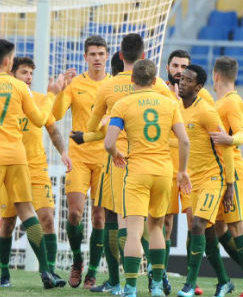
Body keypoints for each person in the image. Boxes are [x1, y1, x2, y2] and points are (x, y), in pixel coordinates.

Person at [0, 39, 66, 289]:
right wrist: (52, 95)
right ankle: (46, 272)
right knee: (28, 213)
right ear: (8, 61)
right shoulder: (18, 88)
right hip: (18, 157)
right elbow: (41, 119)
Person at [80, 34, 175, 294]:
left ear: (119, 57)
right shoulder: (161, 90)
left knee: (120, 222)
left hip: (120, 162)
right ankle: (156, 277)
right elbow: (178, 127)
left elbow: (94, 130)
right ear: (144, 57)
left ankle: (121, 282)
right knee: (154, 225)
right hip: (158, 163)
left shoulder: (108, 88)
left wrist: (90, 136)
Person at [104, 59, 191, 297]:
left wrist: (116, 154)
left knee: (133, 230)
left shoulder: (123, 104)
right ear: (155, 81)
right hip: (163, 172)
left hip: (137, 171)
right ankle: (154, 287)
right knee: (156, 228)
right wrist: (182, 171)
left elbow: (109, 142)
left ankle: (131, 287)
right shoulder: (170, 104)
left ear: (132, 80)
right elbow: (184, 140)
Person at [0, 56, 70, 288]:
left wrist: (63, 152)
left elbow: (53, 130)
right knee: (7, 224)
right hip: (10, 169)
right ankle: (5, 272)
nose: (28, 77)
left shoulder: (39, 100)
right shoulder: (2, 103)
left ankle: (48, 272)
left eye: (30, 73)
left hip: (37, 169)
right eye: (23, 73)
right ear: (12, 75)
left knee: (47, 219)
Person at [52, 36, 110, 289]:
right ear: (85, 57)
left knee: (99, 218)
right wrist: (60, 89)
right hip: (79, 155)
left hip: (105, 157)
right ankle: (77, 261)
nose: (97, 58)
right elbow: (53, 115)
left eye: (101, 53)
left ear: (107, 56)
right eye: (93, 54)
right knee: (74, 214)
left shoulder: (116, 85)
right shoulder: (76, 85)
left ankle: (93, 271)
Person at [175, 64, 235, 297]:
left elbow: (227, 147)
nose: (182, 82)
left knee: (197, 225)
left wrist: (229, 185)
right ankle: (224, 281)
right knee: (206, 234)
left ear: (199, 87)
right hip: (191, 179)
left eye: (188, 80)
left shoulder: (207, 111)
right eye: (182, 79)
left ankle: (190, 284)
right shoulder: (176, 108)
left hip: (212, 177)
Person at [209, 56, 243, 297]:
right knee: (219, 227)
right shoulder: (221, 102)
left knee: (236, 225)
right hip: (220, 172)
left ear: (216, 75)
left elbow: (242, 134)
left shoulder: (232, 102)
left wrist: (230, 139)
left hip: (234, 173)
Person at [164, 50, 215, 296]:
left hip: (191, 172)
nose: (179, 71)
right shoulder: (160, 92)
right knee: (163, 222)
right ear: (168, 67)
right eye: (176, 66)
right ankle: (159, 275)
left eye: (184, 67)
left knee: (194, 224)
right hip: (164, 167)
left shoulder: (202, 98)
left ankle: (191, 279)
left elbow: (211, 134)